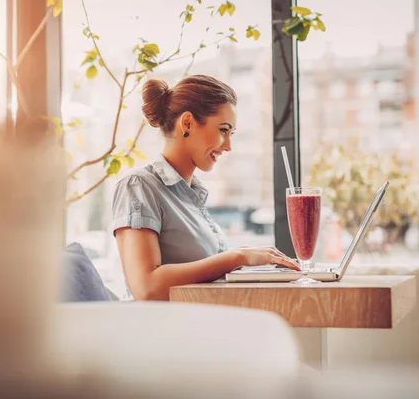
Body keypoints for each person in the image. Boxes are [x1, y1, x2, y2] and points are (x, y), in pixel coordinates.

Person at [111, 75, 299, 301]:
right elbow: (147, 287)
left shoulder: (191, 196)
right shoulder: (139, 185)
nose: (228, 146)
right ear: (187, 123)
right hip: (163, 333)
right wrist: (237, 257)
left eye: (232, 133)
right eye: (223, 130)